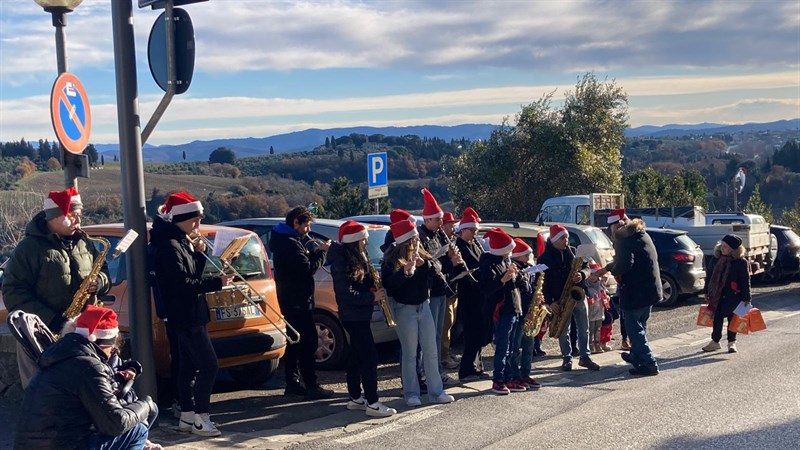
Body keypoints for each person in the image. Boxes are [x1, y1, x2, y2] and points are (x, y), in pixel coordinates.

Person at [2, 186, 110, 388]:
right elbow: (13, 291)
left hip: (81, 329)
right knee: (42, 390)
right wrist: (52, 320)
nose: (79, 221)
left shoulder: (84, 242)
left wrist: (101, 282)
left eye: (80, 215)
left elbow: (102, 269)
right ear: (54, 216)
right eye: (73, 215)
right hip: (41, 333)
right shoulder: (29, 248)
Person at [149, 191, 233, 437]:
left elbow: (192, 275)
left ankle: (187, 415)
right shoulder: (168, 246)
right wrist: (217, 284)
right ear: (180, 219)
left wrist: (197, 253)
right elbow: (183, 284)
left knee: (187, 366)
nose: (198, 225)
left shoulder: (180, 241)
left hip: (190, 312)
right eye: (195, 219)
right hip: (185, 314)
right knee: (209, 365)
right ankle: (201, 417)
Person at [14, 305, 156, 450]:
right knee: (138, 430)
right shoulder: (89, 366)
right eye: (111, 348)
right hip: (65, 445)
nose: (110, 353)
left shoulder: (55, 356)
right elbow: (115, 424)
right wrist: (147, 404)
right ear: (104, 344)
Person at [382, 219, 455, 407]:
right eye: (414, 239)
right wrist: (405, 273)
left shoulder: (422, 253)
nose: (417, 241)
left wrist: (426, 266)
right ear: (405, 241)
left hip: (424, 306)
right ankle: (411, 393)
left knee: (431, 350)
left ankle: (436, 392)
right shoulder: (391, 258)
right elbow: (389, 286)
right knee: (410, 353)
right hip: (404, 309)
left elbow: (436, 272)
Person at [328, 221, 397, 417]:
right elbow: (344, 294)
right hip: (353, 315)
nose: (367, 242)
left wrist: (373, 285)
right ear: (355, 241)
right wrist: (371, 297)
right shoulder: (342, 262)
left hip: (359, 314)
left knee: (357, 356)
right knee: (369, 357)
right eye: (364, 238)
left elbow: (359, 285)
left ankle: (356, 398)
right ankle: (373, 403)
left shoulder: (357, 257)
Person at [269, 206, 334, 400]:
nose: (308, 230)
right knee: (308, 343)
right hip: (297, 301)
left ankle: (293, 383)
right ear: (296, 223)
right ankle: (311, 385)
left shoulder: (285, 240)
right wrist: (322, 252)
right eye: (306, 225)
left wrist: (313, 253)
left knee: (294, 343)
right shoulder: (289, 243)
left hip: (292, 299)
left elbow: (301, 265)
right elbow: (307, 270)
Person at [601, 209, 662, 376]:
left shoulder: (624, 240)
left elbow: (624, 264)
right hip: (650, 290)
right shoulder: (642, 234)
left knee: (634, 329)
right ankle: (637, 357)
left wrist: (613, 271)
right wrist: (606, 268)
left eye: (611, 228)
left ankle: (649, 363)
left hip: (635, 292)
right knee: (641, 325)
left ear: (616, 226)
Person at [416, 188, 464, 387]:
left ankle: (436, 370)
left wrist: (454, 259)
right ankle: (428, 372)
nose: (439, 224)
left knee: (438, 333)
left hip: (442, 287)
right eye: (437, 220)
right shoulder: (421, 236)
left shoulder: (439, 235)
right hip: (431, 289)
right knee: (430, 335)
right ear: (427, 220)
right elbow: (428, 259)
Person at [539, 224, 600, 372]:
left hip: (578, 294)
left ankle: (585, 356)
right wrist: (550, 301)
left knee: (583, 327)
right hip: (559, 298)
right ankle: (567, 357)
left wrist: (582, 275)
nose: (566, 240)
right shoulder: (544, 258)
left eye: (566, 237)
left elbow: (587, 268)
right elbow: (541, 282)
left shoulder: (574, 252)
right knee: (563, 329)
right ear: (553, 240)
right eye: (562, 238)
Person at [480, 228, 523, 394]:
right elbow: (486, 288)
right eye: (509, 249)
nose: (511, 253)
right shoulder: (489, 263)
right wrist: (502, 279)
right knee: (503, 346)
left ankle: (508, 377)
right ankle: (498, 379)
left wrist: (518, 276)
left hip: (513, 308)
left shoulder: (506, 261)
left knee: (512, 347)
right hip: (502, 309)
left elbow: (515, 285)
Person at [455, 207, 491, 381]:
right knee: (471, 333)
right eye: (473, 230)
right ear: (464, 230)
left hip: (479, 294)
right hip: (468, 294)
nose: (475, 233)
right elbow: (464, 269)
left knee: (479, 332)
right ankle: (466, 369)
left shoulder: (474, 244)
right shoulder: (459, 246)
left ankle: (477, 366)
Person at [702, 234, 751, 354]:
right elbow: (709, 276)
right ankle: (715, 341)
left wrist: (747, 298)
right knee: (717, 318)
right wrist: (706, 291)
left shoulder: (740, 262)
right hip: (717, 295)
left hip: (734, 295)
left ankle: (731, 342)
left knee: (733, 319)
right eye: (721, 246)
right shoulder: (716, 259)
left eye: (726, 247)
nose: (722, 248)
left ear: (734, 250)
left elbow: (745, 281)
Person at [508, 238, 542, 390]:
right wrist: (525, 312)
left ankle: (525, 373)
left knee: (529, 346)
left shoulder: (530, 269)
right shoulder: (515, 270)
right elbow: (519, 294)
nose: (529, 257)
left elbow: (532, 289)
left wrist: (539, 297)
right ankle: (515, 376)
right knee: (516, 347)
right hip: (522, 312)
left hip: (530, 311)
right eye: (526, 254)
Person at [440, 211, 461, 370]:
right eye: (451, 225)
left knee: (451, 323)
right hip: (445, 289)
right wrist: (451, 259)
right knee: (445, 325)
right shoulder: (441, 244)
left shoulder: (451, 242)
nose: (454, 229)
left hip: (453, 288)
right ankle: (444, 357)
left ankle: (447, 352)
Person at [585, 262, 610, 354]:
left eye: (595, 274)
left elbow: (605, 293)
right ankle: (590, 346)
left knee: (598, 329)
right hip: (591, 310)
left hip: (599, 310)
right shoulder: (586, 284)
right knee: (591, 329)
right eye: (591, 274)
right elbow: (587, 295)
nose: (593, 276)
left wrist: (607, 297)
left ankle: (598, 344)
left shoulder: (600, 284)